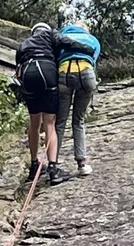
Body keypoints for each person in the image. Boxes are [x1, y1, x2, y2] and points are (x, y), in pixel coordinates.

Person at [15, 23, 82, 185]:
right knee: (49, 123)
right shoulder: (50, 34)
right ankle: (53, 169)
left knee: (34, 122)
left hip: (27, 74)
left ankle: (34, 165)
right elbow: (65, 42)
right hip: (46, 70)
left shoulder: (23, 44)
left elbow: (17, 68)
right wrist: (84, 48)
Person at [54, 22, 101, 177]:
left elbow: (55, 58)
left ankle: (52, 163)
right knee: (78, 120)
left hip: (64, 74)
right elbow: (93, 59)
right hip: (86, 74)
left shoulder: (61, 37)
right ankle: (82, 164)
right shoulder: (92, 39)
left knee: (60, 122)